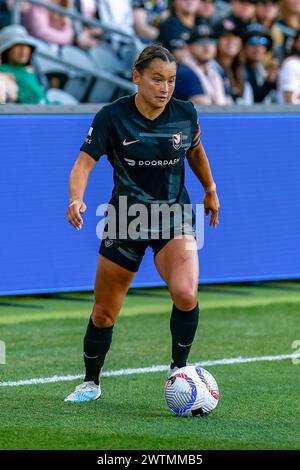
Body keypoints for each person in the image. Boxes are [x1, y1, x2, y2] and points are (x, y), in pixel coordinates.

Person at [64, 43, 220, 403]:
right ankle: (91, 382)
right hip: (126, 219)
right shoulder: (112, 117)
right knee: (103, 313)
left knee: (186, 293)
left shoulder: (186, 114)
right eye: (156, 79)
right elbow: (83, 164)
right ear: (137, 78)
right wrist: (76, 198)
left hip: (174, 217)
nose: (165, 88)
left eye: (171, 80)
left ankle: (178, 370)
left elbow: (195, 151)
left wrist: (210, 188)